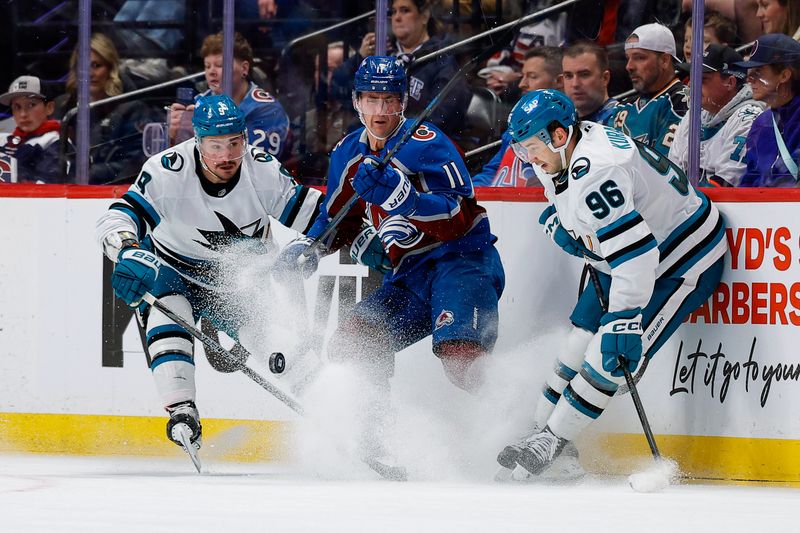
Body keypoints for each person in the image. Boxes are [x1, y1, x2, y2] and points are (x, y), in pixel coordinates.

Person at [276, 57, 505, 462]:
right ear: (357, 101)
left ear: (403, 102)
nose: (381, 111)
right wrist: (311, 247)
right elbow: (338, 221)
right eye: (372, 100)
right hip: (410, 273)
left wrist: (406, 200)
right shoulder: (347, 153)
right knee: (353, 340)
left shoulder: (429, 143)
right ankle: (378, 433)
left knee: (458, 355)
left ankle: (526, 424)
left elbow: (462, 216)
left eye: (390, 100)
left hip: (462, 260)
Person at [495, 89, 727, 478]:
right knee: (576, 343)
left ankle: (553, 441)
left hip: (680, 257)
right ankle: (538, 430)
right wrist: (566, 225)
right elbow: (575, 205)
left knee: (610, 353)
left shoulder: (598, 168)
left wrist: (624, 316)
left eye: (532, 147)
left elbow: (637, 255)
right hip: (623, 253)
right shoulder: (559, 149)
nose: (528, 158)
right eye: (522, 150)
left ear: (558, 135)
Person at [95, 95, 322, 457]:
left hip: (237, 281)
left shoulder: (261, 170)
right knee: (167, 306)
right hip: (175, 269)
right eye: (215, 145)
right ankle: (182, 409)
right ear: (197, 142)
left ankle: (341, 410)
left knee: (282, 352)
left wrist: (316, 244)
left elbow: (318, 217)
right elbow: (117, 217)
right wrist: (125, 249)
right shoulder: (168, 171)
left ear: (245, 139)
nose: (226, 155)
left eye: (235, 143)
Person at [331, 0, 471, 138]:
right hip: (374, 143)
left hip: (416, 146)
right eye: (394, 12)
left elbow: (444, 113)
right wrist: (359, 57)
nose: (397, 17)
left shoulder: (441, 58)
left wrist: (397, 134)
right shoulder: (382, 56)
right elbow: (338, 89)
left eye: (405, 10)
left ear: (424, 16)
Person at [55, 33, 161, 184]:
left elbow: (133, 164)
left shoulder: (131, 109)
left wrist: (88, 173)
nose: (90, 74)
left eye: (97, 66)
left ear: (111, 69)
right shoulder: (63, 107)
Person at [167, 32, 291, 158]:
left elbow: (256, 167)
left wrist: (205, 134)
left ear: (244, 69)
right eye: (207, 66)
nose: (211, 72)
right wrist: (173, 138)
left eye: (220, 65)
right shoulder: (198, 104)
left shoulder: (267, 111)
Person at [669, 44, 765, 187]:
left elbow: (725, 186)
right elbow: (672, 172)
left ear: (730, 82)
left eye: (703, 79)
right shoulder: (693, 114)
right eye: (692, 78)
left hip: (724, 207)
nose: (691, 86)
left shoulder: (749, 118)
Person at [471, 47, 563, 187]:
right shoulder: (517, 125)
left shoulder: (565, 131)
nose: (522, 84)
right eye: (522, 76)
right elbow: (493, 170)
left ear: (558, 82)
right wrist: (471, 193)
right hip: (499, 204)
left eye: (532, 77)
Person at [609, 23, 689, 156]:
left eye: (639, 58)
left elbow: (662, 166)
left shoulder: (681, 102)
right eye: (628, 58)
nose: (629, 66)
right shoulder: (623, 107)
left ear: (664, 60)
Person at [737, 34, 800, 186]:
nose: (749, 79)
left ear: (784, 75)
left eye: (758, 71)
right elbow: (750, 179)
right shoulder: (761, 123)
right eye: (750, 72)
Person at [0, 76, 64, 183]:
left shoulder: (57, 142)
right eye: (17, 107)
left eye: (31, 105)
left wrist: (19, 165)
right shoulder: (6, 141)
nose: (23, 114)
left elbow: (46, 190)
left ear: (49, 108)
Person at [561, 41, 618, 124]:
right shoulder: (558, 124)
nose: (575, 84)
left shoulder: (622, 121)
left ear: (605, 78)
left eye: (584, 75)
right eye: (568, 76)